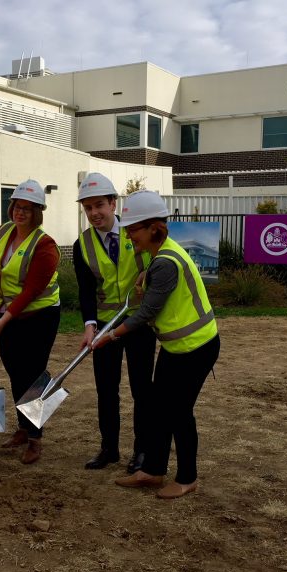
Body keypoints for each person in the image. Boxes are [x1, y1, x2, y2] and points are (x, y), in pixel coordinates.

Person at [93, 190, 220, 499]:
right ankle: (152, 471)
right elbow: (154, 281)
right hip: (177, 348)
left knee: (179, 412)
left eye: (134, 229)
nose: (129, 234)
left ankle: (187, 477)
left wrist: (109, 335)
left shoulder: (165, 262)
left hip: (197, 347)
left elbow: (145, 313)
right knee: (158, 410)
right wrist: (143, 275)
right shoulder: (158, 255)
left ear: (153, 228)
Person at [73, 173, 156, 472]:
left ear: (113, 203)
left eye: (99, 205)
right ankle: (109, 449)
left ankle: (142, 452)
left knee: (141, 390)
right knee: (106, 391)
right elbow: (85, 291)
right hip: (106, 328)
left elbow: (158, 264)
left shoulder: (138, 232)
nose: (94, 213)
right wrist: (89, 325)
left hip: (139, 323)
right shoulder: (82, 244)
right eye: (88, 208)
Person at [0, 179, 60, 465]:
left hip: (39, 315)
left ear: (37, 212)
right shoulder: (4, 232)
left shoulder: (45, 245)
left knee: (33, 375)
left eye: (27, 208)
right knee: (15, 372)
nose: (20, 213)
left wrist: (6, 319)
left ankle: (36, 438)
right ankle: (24, 428)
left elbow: (32, 290)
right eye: (16, 206)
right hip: (7, 312)